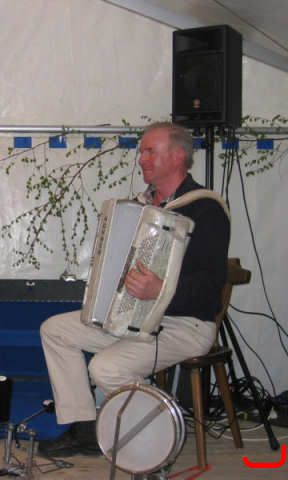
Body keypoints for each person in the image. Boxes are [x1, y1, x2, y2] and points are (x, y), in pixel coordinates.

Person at [38, 122, 230, 461]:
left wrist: (160, 290)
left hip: (185, 325)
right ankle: (85, 428)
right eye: (142, 151)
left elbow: (208, 288)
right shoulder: (138, 207)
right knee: (55, 330)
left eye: (150, 151)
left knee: (104, 368)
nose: (141, 159)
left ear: (178, 156)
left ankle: (161, 430)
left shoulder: (206, 209)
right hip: (131, 318)